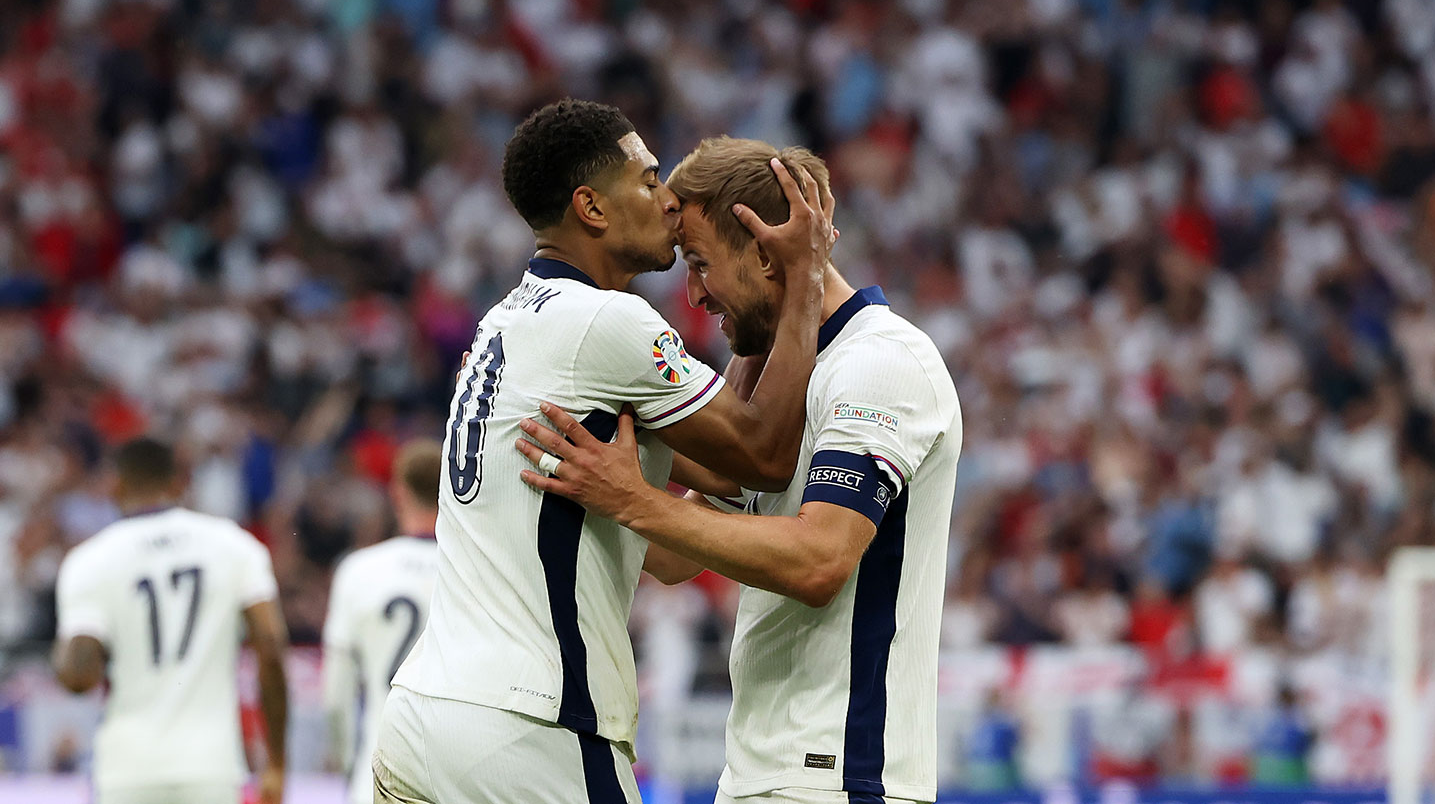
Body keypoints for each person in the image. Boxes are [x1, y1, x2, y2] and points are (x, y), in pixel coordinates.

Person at [372, 100, 834, 803]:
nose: (668, 199)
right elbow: (765, 455)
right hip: (531, 722)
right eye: (649, 181)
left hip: (422, 716)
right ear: (592, 206)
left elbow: (705, 500)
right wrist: (799, 276)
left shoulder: (506, 321)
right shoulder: (605, 322)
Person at [517, 137, 963, 804]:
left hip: (841, 775)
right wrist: (582, 455)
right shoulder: (768, 384)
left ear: (765, 249)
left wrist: (635, 500)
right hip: (765, 772)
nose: (692, 294)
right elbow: (672, 557)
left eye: (699, 264)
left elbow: (818, 559)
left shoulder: (879, 363)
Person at [51, 437, 289, 804]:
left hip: (126, 771)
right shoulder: (233, 545)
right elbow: (271, 648)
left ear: (116, 485)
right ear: (179, 483)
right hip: (211, 767)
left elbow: (78, 676)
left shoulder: (90, 560)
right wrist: (276, 763)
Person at [322, 440, 443, 804]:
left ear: (397, 492)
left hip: (377, 772)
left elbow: (335, 694)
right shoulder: (476, 571)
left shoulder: (359, 570)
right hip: (450, 776)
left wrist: (346, 760)